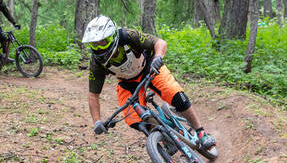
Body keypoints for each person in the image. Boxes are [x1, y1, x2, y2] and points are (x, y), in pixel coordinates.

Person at [83, 15, 216, 152]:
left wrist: (158, 57)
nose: (99, 48)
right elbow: (93, 95)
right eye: (95, 44)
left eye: (103, 42)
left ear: (113, 37)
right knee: (133, 119)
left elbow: (159, 43)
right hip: (127, 83)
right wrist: (97, 121)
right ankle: (164, 136)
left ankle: (201, 132)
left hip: (150, 68)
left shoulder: (128, 36)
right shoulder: (97, 63)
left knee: (175, 94)